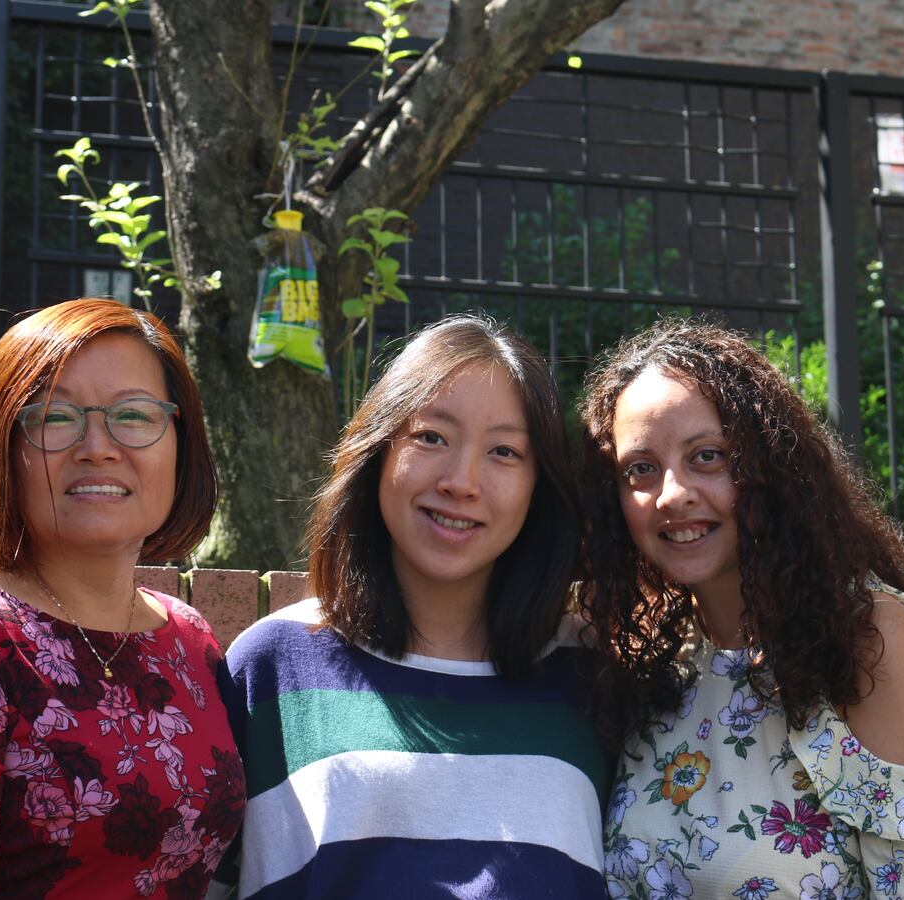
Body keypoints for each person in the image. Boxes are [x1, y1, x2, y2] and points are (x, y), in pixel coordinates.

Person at [578, 319, 904, 899]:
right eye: (640, 469)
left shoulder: (871, 642)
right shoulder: (663, 649)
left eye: (707, 457)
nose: (671, 494)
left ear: (773, 469)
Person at [211, 316, 610, 898]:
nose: (461, 481)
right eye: (431, 437)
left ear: (538, 487)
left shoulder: (590, 674)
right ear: (377, 450)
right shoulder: (275, 663)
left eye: (504, 451)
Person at [0, 299, 244, 899]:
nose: (98, 446)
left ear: (180, 444)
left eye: (135, 415)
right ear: (2, 451)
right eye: (55, 418)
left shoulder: (189, 640)